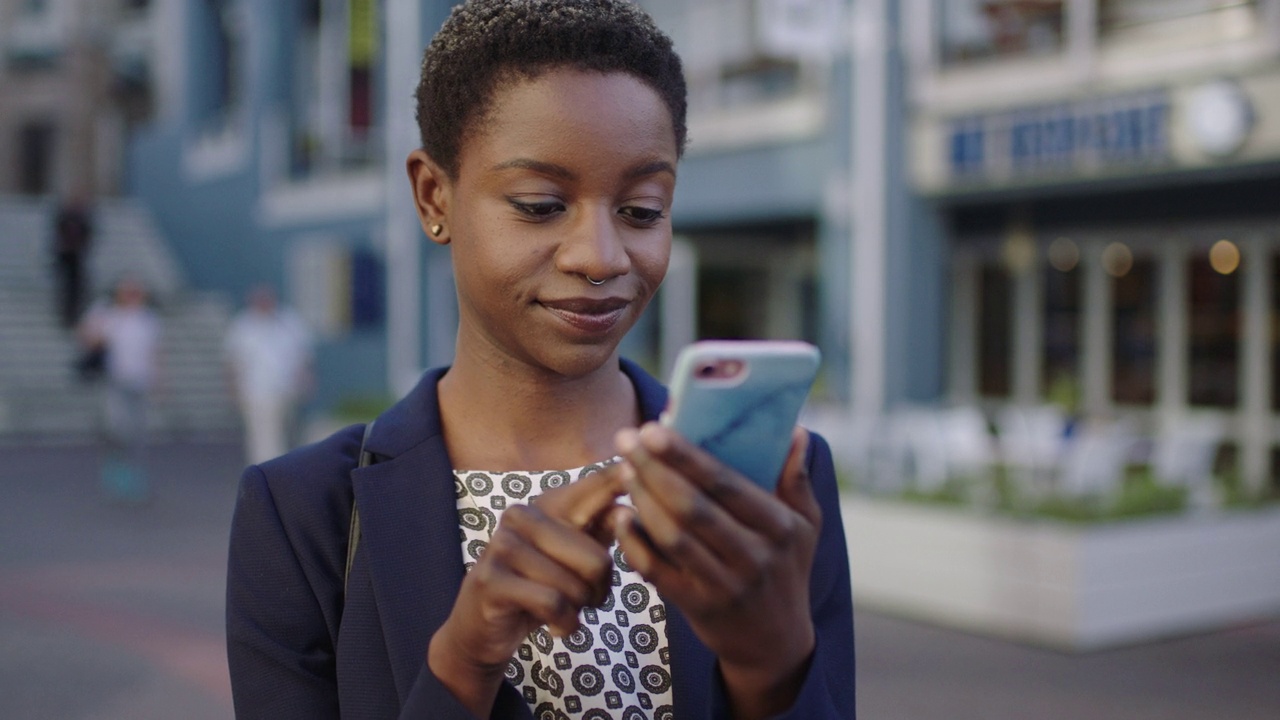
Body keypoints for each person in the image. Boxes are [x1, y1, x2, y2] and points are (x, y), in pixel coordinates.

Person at [225, 1, 856, 718]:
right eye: (539, 204)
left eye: (642, 210)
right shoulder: (303, 512)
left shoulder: (767, 487)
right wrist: (463, 661)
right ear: (435, 195)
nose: (600, 256)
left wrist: (770, 666)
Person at [78, 277, 162, 502]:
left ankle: (134, 474)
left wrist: (159, 379)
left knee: (137, 430)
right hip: (115, 380)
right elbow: (89, 339)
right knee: (118, 427)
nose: (133, 296)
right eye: (128, 292)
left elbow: (154, 352)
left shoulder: (148, 319)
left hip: (140, 380)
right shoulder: (109, 314)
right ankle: (115, 466)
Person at [224, 284, 314, 465]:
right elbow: (233, 360)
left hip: (286, 387)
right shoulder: (243, 325)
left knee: (286, 429)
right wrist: (233, 388)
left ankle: (282, 466)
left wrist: (305, 377)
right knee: (263, 433)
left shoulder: (288, 320)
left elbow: (302, 354)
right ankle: (267, 469)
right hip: (256, 388)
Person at [53, 194, 94, 328]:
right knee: (68, 288)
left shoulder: (82, 219)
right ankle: (67, 315)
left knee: (76, 288)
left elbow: (88, 234)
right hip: (67, 257)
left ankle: (74, 315)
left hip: (76, 258)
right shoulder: (65, 218)